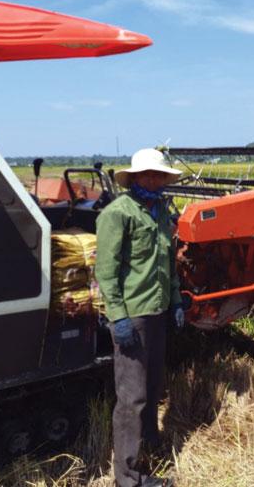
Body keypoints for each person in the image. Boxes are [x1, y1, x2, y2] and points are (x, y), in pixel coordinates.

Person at [95, 148, 184, 487]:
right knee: (132, 398)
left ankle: (149, 445)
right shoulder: (118, 213)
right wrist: (118, 316)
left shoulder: (160, 212)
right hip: (133, 316)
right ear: (134, 178)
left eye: (158, 175)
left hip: (157, 312)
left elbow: (168, 262)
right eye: (147, 174)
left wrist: (175, 300)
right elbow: (106, 271)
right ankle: (128, 477)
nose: (153, 179)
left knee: (153, 386)